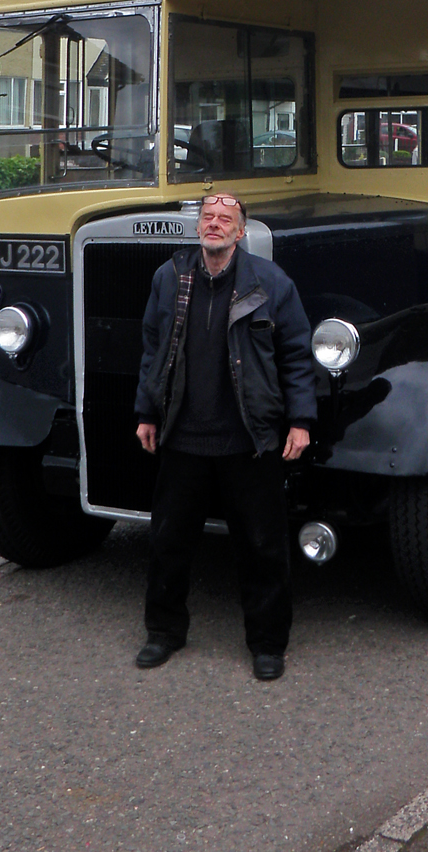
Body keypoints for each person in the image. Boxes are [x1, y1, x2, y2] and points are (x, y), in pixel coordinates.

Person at [134, 192, 315, 682]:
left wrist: (300, 421)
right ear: (198, 229)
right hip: (183, 438)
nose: (214, 225)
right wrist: (146, 412)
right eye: (208, 218)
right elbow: (153, 350)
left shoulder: (270, 283)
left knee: (262, 547)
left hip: (248, 441)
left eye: (225, 220)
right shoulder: (169, 279)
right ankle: (164, 633)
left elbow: (296, 356)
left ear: (240, 232)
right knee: (168, 542)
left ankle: (267, 644)